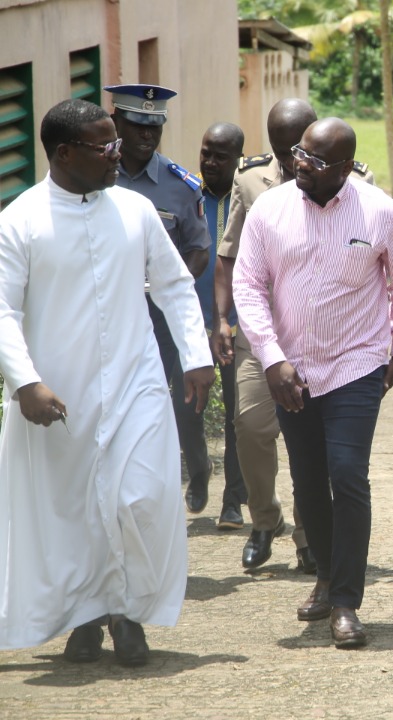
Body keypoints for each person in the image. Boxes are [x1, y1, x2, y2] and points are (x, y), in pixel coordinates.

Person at [0, 99, 215, 665]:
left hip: (135, 380)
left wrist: (196, 355)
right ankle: (89, 615)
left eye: (116, 142)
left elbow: (171, 285)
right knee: (74, 511)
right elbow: (2, 312)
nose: (118, 154)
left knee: (140, 498)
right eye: (105, 146)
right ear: (65, 153)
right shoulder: (20, 220)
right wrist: (25, 383)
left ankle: (128, 610)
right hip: (58, 395)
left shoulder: (134, 210)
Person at [233, 118, 393, 648]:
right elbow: (248, 286)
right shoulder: (269, 209)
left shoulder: (380, 212)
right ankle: (322, 578)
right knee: (309, 481)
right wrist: (271, 358)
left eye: (315, 161)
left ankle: (345, 602)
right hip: (291, 368)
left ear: (344, 168)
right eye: (298, 154)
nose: (300, 166)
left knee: (347, 475)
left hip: (355, 365)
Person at [214, 99, 321, 573]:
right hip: (259, 329)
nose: (289, 159)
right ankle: (264, 520)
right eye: (280, 149)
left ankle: (308, 535)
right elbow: (228, 254)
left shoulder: (351, 176)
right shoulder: (249, 178)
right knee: (252, 427)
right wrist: (222, 318)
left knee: (311, 438)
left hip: (318, 334)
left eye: (296, 147)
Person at [106, 84, 213, 515]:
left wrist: (169, 286)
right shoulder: (95, 176)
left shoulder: (180, 186)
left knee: (176, 402)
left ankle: (198, 467)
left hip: (160, 314)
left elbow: (199, 248)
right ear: (116, 122)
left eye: (155, 126)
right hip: (109, 312)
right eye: (137, 125)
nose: (148, 135)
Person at [196, 122, 249, 529]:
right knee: (186, 407)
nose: (211, 162)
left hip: (236, 325)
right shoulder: (186, 195)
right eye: (206, 153)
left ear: (238, 160)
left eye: (221, 156)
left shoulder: (251, 199)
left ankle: (234, 499)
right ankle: (198, 467)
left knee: (237, 415)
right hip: (191, 324)